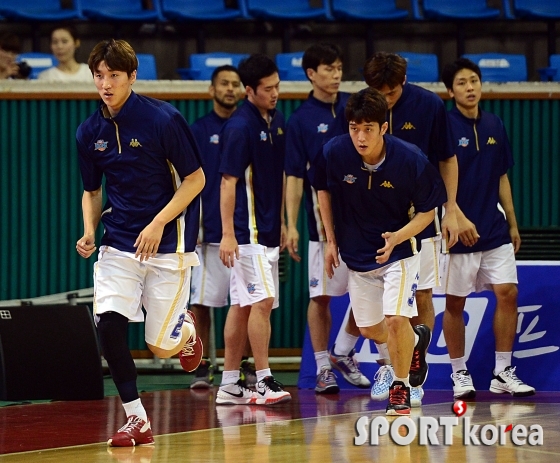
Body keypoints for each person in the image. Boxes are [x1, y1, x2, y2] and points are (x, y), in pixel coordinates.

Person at [76, 39, 204, 446]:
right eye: (99, 76)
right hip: (119, 244)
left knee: (160, 348)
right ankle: (137, 419)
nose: (106, 84)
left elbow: (196, 179)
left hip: (169, 242)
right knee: (109, 326)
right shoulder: (89, 131)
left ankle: (185, 331)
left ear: (132, 76)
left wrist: (157, 223)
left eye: (114, 75)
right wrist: (90, 231)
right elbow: (92, 191)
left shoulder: (163, 119)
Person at [309, 87, 446, 415]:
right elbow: (323, 190)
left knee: (397, 319)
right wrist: (331, 240)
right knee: (370, 328)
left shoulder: (411, 159)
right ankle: (415, 342)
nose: (360, 136)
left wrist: (399, 236)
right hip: (357, 257)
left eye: (368, 128)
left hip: (399, 253)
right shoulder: (334, 153)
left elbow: (428, 212)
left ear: (384, 128)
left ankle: (401, 387)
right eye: (354, 128)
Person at [363, 52, 460, 405]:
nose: (384, 100)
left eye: (390, 93)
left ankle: (413, 371)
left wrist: (451, 208)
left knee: (421, 296)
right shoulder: (362, 108)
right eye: (378, 92)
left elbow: (448, 159)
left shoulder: (429, 105)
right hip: (375, 217)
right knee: (379, 303)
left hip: (421, 214)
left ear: (403, 83)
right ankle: (389, 364)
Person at [440, 58, 535, 399]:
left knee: (508, 293)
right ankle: (458, 372)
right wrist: (457, 217)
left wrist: (512, 220)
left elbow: (502, 176)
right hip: (457, 230)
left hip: (493, 229)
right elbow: (437, 181)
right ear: (450, 91)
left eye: (474, 81)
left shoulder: (495, 123)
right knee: (455, 304)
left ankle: (502, 371)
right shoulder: (444, 127)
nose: (470, 87)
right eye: (462, 82)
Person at [285, 43, 369, 394]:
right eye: (328, 69)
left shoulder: (356, 104)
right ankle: (323, 368)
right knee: (321, 297)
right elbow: (293, 176)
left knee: (369, 294)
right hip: (323, 226)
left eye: (339, 68)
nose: (336, 75)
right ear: (310, 74)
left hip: (365, 221)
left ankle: (343, 351)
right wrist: (290, 224)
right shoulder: (300, 120)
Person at [216, 53, 291, 406]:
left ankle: (229, 382)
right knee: (263, 300)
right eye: (268, 88)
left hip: (269, 232)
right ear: (249, 91)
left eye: (278, 86)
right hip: (249, 235)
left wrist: (286, 225)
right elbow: (227, 182)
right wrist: (228, 233)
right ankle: (263, 379)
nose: (276, 93)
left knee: (243, 305)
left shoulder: (274, 120)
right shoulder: (239, 127)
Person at [189, 64, 256, 389]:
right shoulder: (199, 130)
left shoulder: (250, 126)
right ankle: (201, 364)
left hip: (249, 232)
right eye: (224, 84)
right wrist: (194, 226)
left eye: (235, 84)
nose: (230, 89)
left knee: (247, 302)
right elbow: (187, 182)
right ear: (211, 90)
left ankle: (241, 364)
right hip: (209, 233)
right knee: (202, 301)